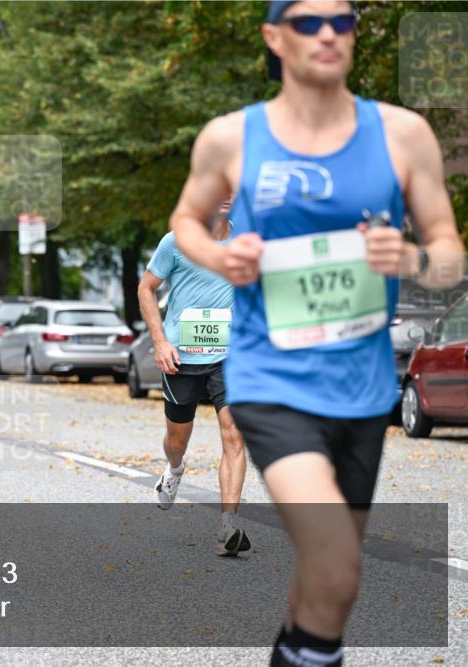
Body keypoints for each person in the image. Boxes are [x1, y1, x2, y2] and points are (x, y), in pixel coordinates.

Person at [170, 2, 465, 664]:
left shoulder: (402, 134)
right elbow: (187, 220)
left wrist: (410, 257)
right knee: (335, 561)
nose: (329, 32)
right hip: (269, 378)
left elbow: (449, 253)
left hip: (361, 390)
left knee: (324, 588)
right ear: (275, 37)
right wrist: (222, 256)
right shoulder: (231, 137)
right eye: (308, 21)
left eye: (344, 20)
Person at [139, 198, 249, 556]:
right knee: (177, 440)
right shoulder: (177, 241)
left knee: (234, 436)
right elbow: (146, 288)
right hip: (180, 358)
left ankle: (227, 525)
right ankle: (174, 469)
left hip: (229, 358)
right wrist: (159, 341)